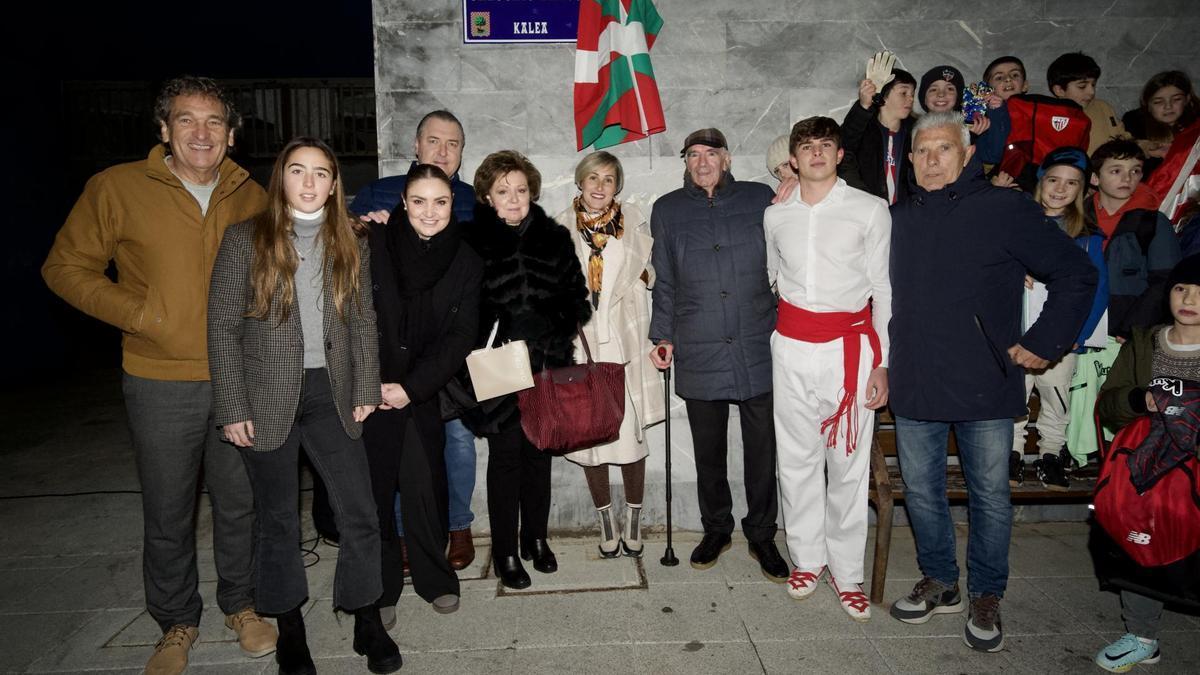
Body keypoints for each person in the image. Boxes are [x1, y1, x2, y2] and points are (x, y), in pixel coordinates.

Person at [41, 76, 275, 675]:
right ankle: (176, 623)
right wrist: (138, 313)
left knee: (238, 503)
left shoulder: (250, 194)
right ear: (164, 128)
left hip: (236, 378)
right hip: (157, 378)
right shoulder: (117, 187)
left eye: (215, 122)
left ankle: (242, 606)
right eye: (187, 120)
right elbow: (65, 266)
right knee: (169, 509)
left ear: (231, 133)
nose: (202, 132)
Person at [887, 112, 1097, 652]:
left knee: (988, 496)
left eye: (943, 150)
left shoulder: (1005, 208)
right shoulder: (896, 216)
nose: (932, 160)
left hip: (984, 379)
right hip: (915, 378)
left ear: (965, 155)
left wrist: (1046, 341)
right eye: (922, 151)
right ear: (909, 160)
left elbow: (1077, 274)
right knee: (923, 493)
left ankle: (986, 593)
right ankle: (941, 581)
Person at [207, 137, 400, 674]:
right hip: (265, 394)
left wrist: (365, 388)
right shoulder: (246, 238)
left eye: (321, 172)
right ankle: (290, 627)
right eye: (298, 171)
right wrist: (231, 405)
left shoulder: (350, 239)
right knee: (278, 520)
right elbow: (222, 327)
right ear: (282, 179)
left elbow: (362, 321)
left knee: (359, 510)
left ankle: (366, 617)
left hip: (330, 392)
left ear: (335, 184)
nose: (310, 182)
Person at [764, 116, 891, 621]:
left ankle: (847, 570)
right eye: (806, 146)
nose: (816, 153)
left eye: (825, 145)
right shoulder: (775, 217)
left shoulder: (870, 209)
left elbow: (883, 290)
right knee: (795, 460)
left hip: (850, 352)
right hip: (792, 347)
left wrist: (883, 363)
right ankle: (808, 559)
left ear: (840, 154)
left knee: (848, 464)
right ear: (793, 159)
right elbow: (776, 278)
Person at [648, 128, 789, 580]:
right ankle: (717, 528)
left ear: (727, 159)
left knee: (762, 448)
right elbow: (665, 280)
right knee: (708, 449)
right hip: (699, 340)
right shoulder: (667, 210)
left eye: (712, 154)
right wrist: (662, 336)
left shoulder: (760, 198)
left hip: (756, 339)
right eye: (694, 155)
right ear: (686, 163)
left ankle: (763, 533)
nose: (703, 161)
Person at [347, 110, 481, 573]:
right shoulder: (378, 194)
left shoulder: (472, 201)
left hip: (448, 355)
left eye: (454, 144)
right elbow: (346, 255)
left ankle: (457, 525)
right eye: (435, 141)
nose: (443, 151)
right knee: (399, 453)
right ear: (416, 145)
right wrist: (365, 227)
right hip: (393, 356)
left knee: (457, 442)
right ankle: (404, 537)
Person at [462, 150, 592, 589]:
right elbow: (461, 311)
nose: (514, 199)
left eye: (520, 189)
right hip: (499, 369)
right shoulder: (471, 241)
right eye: (503, 191)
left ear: (531, 191)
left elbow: (579, 301)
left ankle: (537, 539)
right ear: (487, 197)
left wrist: (549, 321)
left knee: (539, 457)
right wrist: (501, 324)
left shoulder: (554, 238)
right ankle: (505, 553)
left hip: (546, 368)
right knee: (505, 461)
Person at [363, 163, 483, 624]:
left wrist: (411, 389)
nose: (429, 212)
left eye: (441, 201)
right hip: (369, 388)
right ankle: (381, 588)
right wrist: (370, 383)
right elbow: (351, 317)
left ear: (453, 205)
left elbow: (460, 336)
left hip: (421, 389)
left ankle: (435, 580)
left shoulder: (466, 259)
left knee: (424, 487)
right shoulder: (372, 244)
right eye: (418, 201)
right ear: (403, 203)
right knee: (375, 494)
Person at [554, 151, 666, 558]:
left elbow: (652, 271)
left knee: (629, 435)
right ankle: (605, 519)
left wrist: (645, 275)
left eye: (608, 179)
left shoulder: (632, 220)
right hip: (582, 344)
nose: (599, 186)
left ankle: (634, 517)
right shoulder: (561, 228)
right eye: (592, 178)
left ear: (617, 185)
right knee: (592, 439)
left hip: (624, 341)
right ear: (580, 183)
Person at [1093, 254, 1200, 673]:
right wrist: (1140, 399)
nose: (1189, 299)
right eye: (1180, 288)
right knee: (1138, 532)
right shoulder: (1145, 341)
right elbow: (1109, 404)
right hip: (1149, 466)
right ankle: (1142, 635)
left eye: (1198, 292)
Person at [1009, 148, 1109, 490]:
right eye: (1053, 180)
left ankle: (1051, 452)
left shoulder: (1087, 237)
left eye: (1072, 183)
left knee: (1056, 393)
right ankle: (1013, 452)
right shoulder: (1017, 224)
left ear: (1082, 190)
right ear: (1040, 182)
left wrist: (1077, 333)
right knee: (1014, 394)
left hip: (1061, 338)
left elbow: (1098, 289)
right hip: (1016, 332)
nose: (1060, 189)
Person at [1086, 139, 1181, 339]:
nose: (1127, 178)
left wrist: (1133, 328)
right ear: (1095, 178)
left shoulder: (1153, 222)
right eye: (1116, 171)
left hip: (1126, 331)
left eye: (1135, 171)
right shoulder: (1077, 216)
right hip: (1076, 322)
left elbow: (1165, 281)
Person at [1124, 71, 1200, 220]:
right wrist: (1144, 148)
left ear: (1188, 99)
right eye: (1158, 102)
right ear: (1147, 105)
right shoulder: (1133, 131)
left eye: (1176, 99)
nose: (1168, 106)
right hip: (1147, 209)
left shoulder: (1196, 132)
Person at [839, 66, 917, 204]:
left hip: (904, 215)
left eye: (912, 94)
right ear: (884, 94)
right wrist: (863, 106)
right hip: (867, 210)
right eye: (904, 92)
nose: (910, 99)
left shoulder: (917, 131)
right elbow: (843, 146)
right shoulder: (864, 127)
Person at [1046, 52, 1127, 154]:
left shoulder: (1102, 107)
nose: (1091, 92)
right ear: (1060, 90)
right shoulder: (1049, 116)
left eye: (1093, 85)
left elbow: (1123, 137)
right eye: (1082, 86)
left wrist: (1143, 145)